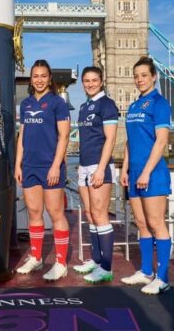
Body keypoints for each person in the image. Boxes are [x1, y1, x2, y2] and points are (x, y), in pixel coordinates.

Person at [120, 56, 172, 295]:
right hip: (134, 173)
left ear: (154, 76)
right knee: (141, 223)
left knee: (156, 223)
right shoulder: (133, 106)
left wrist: (146, 172)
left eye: (144, 75)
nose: (140, 79)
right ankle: (145, 271)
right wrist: (125, 169)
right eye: (136, 76)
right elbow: (130, 142)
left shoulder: (159, 103)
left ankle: (162, 277)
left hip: (153, 173)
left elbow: (161, 141)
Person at [15, 59, 71, 281]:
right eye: (35, 76)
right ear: (31, 79)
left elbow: (64, 136)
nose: (39, 80)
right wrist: (18, 164)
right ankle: (36, 257)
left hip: (50, 166)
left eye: (43, 76)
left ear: (50, 78)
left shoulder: (58, 103)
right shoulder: (26, 104)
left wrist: (56, 165)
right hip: (29, 166)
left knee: (56, 213)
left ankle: (60, 262)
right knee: (34, 213)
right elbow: (22, 136)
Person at [72, 66, 119, 283]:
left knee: (100, 215)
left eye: (94, 80)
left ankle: (106, 267)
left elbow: (110, 139)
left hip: (99, 166)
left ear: (101, 81)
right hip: (83, 166)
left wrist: (100, 168)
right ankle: (96, 260)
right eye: (86, 81)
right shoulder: (83, 107)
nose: (90, 84)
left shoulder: (107, 105)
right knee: (90, 213)